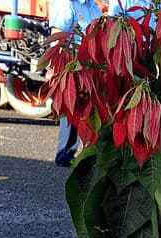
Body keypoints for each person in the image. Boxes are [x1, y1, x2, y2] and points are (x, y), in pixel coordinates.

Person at [49, 0, 103, 166]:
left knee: (90, 107)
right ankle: (65, 154)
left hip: (91, 64)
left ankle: (89, 152)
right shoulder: (66, 4)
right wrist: (55, 67)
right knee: (71, 106)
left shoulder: (93, 7)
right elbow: (57, 36)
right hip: (71, 62)